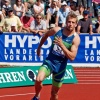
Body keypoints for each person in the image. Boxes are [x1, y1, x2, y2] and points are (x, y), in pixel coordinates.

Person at [32, 12, 80, 100]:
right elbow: (46, 34)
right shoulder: (57, 30)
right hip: (50, 61)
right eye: (69, 22)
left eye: (73, 22)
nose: (70, 24)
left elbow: (72, 57)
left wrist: (62, 45)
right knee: (38, 79)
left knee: (54, 94)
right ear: (66, 22)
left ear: (76, 24)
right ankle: (37, 95)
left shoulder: (75, 39)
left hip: (60, 68)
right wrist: (39, 47)